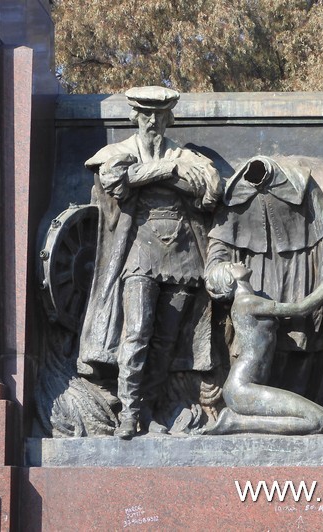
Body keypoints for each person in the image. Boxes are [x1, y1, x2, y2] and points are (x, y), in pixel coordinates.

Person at [78, 86, 222, 439]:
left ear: (169, 118)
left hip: (184, 256)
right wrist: (168, 171)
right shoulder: (122, 151)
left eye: (160, 115)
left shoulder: (185, 155)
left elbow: (210, 188)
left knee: (165, 341)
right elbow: (114, 179)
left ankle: (149, 410)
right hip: (139, 251)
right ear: (135, 117)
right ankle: (129, 412)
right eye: (146, 114)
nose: (153, 121)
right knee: (138, 332)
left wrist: (151, 173)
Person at [206, 156, 323, 402]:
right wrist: (221, 274)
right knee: (259, 348)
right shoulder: (235, 196)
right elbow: (218, 249)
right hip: (255, 279)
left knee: (301, 341)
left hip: (301, 274)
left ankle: (303, 410)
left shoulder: (302, 187)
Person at [199, 263, 323, 435]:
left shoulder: (249, 301)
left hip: (246, 387)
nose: (238, 262)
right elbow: (300, 309)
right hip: (241, 387)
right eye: (231, 265)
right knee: (318, 422)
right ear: (229, 278)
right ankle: (235, 422)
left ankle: (237, 420)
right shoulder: (246, 302)